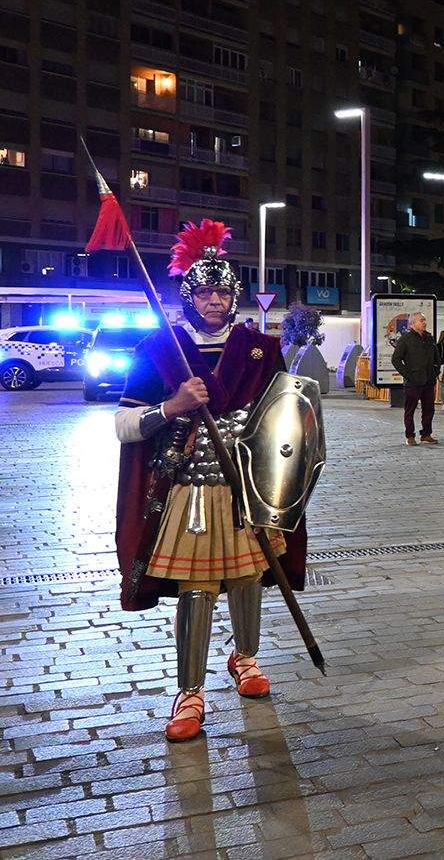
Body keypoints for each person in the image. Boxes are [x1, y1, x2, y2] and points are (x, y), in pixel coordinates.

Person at [112, 220, 311, 741]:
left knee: (249, 577)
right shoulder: (161, 349)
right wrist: (172, 407)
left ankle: (245, 658)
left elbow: (285, 423)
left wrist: (281, 493)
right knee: (197, 589)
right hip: (189, 493)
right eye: (206, 291)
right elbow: (124, 425)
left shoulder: (260, 350)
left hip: (246, 488)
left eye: (224, 291)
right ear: (189, 296)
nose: (216, 301)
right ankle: (189, 691)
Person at [391, 312, 439, 446]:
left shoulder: (429, 338)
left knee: (429, 409)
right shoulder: (405, 339)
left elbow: (436, 357)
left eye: (424, 320)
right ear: (412, 324)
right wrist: (408, 375)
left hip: (428, 381)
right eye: (421, 320)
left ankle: (426, 434)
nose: (424, 322)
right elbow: (396, 359)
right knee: (410, 410)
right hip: (413, 382)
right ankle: (410, 436)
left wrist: (435, 371)